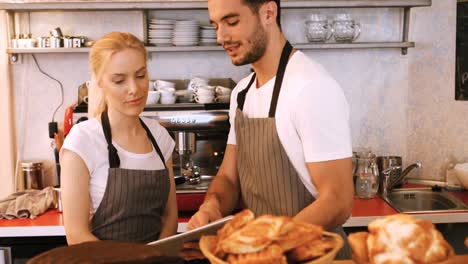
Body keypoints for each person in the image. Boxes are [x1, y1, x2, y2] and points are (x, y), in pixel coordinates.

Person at [188, 0, 353, 258]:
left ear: (268, 13)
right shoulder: (241, 93)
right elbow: (229, 178)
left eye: (232, 22)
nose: (221, 37)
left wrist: (269, 247)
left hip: (314, 255)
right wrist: (212, 207)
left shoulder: (311, 87)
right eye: (216, 25)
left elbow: (338, 201)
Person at [60, 32, 178, 245]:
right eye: (119, 80)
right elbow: (77, 236)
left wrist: (154, 258)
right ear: (100, 83)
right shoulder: (82, 141)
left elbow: (170, 219)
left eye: (140, 76)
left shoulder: (159, 136)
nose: (134, 89)